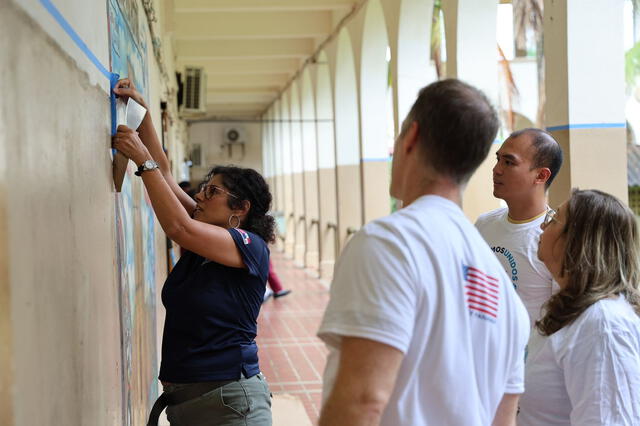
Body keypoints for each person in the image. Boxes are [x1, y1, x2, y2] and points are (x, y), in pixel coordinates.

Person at [317, 79, 530, 426]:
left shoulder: (389, 244)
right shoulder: (504, 290)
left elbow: (362, 400)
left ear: (411, 138)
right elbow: (503, 420)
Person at [111, 79, 272, 426]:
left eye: (211, 191)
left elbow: (178, 228)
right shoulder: (207, 236)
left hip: (231, 406)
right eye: (203, 188)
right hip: (189, 407)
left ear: (240, 208)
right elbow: (167, 176)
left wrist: (142, 160)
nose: (199, 196)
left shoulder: (248, 246)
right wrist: (144, 117)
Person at [519, 189, 640, 425]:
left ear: (577, 240)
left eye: (553, 220)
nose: (542, 228)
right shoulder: (571, 312)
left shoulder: (603, 324)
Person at [475, 128, 563, 326]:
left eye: (509, 162)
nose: (496, 169)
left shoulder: (557, 237)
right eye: (498, 160)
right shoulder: (483, 225)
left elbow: (563, 318)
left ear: (541, 175)